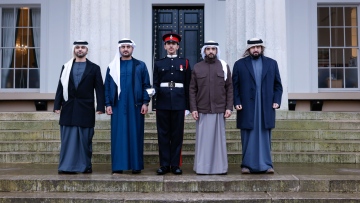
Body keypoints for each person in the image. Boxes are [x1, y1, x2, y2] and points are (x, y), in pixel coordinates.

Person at [232, 38, 283, 174]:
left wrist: (277, 100)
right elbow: (234, 87)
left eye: (258, 47)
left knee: (265, 135)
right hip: (247, 107)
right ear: (248, 49)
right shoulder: (239, 64)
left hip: (266, 106)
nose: (256, 49)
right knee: (248, 135)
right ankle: (246, 165)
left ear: (262, 49)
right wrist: (236, 102)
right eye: (253, 47)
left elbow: (278, 85)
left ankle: (267, 165)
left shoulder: (272, 64)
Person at [54, 40, 105, 174]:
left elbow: (99, 89)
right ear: (74, 50)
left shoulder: (94, 68)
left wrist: (101, 106)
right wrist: (57, 105)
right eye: (77, 47)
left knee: (84, 139)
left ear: (87, 50)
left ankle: (84, 166)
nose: (80, 49)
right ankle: (66, 166)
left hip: (86, 108)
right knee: (68, 138)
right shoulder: (66, 67)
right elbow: (60, 87)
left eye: (83, 47)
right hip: (69, 107)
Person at [104, 38, 151, 174]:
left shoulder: (140, 65)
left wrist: (145, 102)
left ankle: (136, 166)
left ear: (132, 49)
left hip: (135, 105)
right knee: (118, 135)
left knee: (135, 134)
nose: (125, 49)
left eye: (128, 47)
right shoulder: (112, 66)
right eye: (123, 47)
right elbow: (107, 87)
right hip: (117, 105)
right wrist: (107, 103)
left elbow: (146, 86)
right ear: (119, 49)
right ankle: (118, 166)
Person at [189, 41, 233, 175]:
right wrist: (193, 108)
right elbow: (192, 90)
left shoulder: (224, 66)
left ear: (217, 50)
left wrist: (229, 107)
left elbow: (229, 88)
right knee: (203, 142)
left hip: (219, 109)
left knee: (219, 142)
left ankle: (220, 168)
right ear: (204, 51)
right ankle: (202, 168)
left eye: (213, 49)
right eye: (208, 49)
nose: (211, 51)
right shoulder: (197, 67)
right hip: (202, 110)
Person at [153, 33, 191, 175]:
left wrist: (188, 106)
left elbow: (188, 86)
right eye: (168, 44)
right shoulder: (158, 63)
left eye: (173, 44)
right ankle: (164, 164)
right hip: (162, 102)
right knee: (163, 134)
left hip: (179, 102)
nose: (171, 46)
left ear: (178, 46)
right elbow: (156, 83)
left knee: (177, 134)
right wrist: (152, 93)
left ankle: (175, 164)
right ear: (164, 46)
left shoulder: (185, 62)